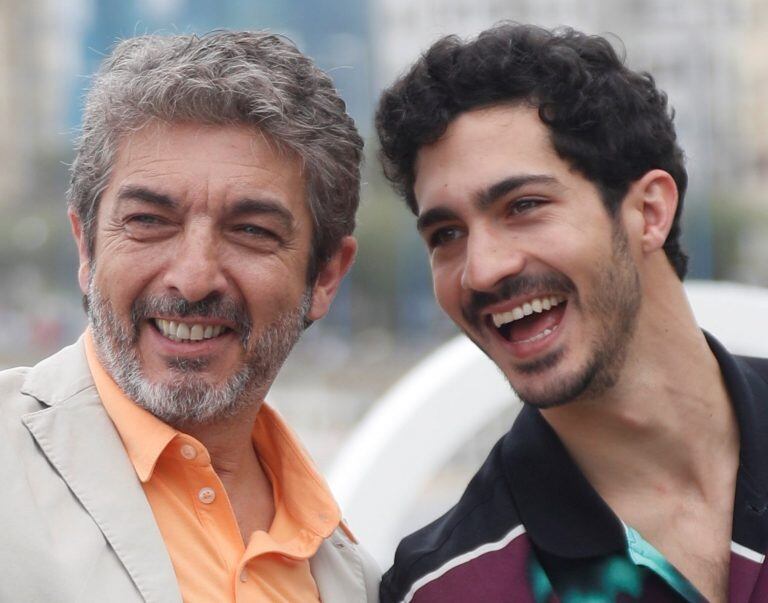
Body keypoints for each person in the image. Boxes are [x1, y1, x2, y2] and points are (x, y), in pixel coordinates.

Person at [375, 23, 768, 603]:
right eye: (447, 233)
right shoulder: (453, 585)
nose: (480, 270)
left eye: (524, 206)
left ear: (649, 212)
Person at [0, 31, 379, 602]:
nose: (194, 277)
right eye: (150, 220)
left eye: (251, 231)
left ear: (325, 275)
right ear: (86, 249)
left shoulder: (360, 582)